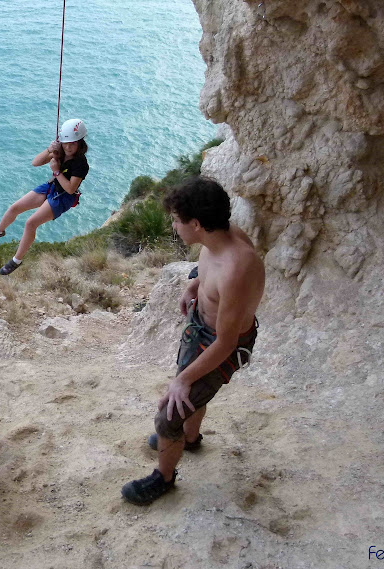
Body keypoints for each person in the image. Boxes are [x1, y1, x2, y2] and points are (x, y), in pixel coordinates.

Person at [121, 177, 265, 505]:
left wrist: (183, 381)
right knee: (186, 397)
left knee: (169, 415)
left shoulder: (237, 269)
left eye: (176, 220)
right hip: (203, 328)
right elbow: (208, 268)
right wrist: (194, 285)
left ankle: (163, 478)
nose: (174, 226)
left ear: (196, 224)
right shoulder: (221, 236)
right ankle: (190, 438)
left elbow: (226, 342)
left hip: (222, 346)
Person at [0, 118, 90, 275]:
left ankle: (16, 261)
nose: (68, 147)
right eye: (65, 142)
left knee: (30, 223)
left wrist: (56, 171)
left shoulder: (81, 164)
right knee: (15, 207)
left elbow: (70, 189)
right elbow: (35, 162)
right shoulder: (60, 150)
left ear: (80, 142)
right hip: (52, 186)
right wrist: (49, 150)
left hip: (63, 196)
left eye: (72, 143)